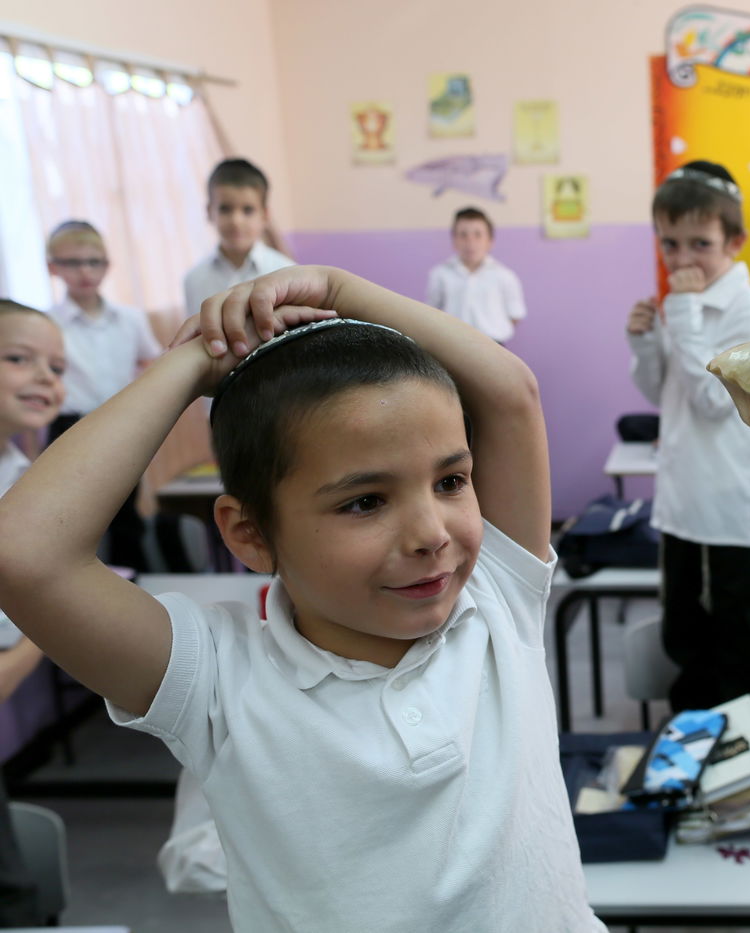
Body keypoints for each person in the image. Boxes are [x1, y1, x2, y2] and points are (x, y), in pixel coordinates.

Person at [0, 269, 603, 932]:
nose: (432, 534)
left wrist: (336, 291)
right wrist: (191, 364)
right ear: (249, 532)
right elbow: (25, 555)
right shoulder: (220, 681)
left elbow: (510, 392)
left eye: (451, 480)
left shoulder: (496, 599)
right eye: (365, 501)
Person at [626, 160, 750, 712]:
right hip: (684, 503)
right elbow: (664, 394)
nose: (683, 260)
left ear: (735, 242)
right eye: (670, 245)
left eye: (700, 243)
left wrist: (685, 314)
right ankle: (694, 746)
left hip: (733, 509)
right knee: (687, 635)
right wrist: (647, 343)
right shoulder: (685, 308)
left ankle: (747, 746)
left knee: (743, 642)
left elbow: (714, 402)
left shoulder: (746, 307)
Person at [44, 220, 162, 570]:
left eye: (94, 261)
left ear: (107, 266)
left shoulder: (130, 319)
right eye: (72, 262)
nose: (84, 271)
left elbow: (154, 362)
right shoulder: (48, 323)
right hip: (68, 427)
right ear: (53, 267)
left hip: (119, 426)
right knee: (69, 521)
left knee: (125, 513)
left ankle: (133, 585)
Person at [0, 299, 65, 926]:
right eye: (20, 359)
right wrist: (52, 622)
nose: (47, 379)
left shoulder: (22, 474)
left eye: (57, 365)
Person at [182, 158, 294, 319]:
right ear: (209, 211)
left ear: (265, 215)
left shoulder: (287, 273)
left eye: (247, 210)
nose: (236, 221)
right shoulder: (193, 280)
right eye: (225, 209)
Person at [425, 207, 526, 343]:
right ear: (454, 240)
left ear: (490, 241)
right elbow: (432, 311)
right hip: (451, 344)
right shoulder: (440, 274)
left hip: (494, 345)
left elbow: (515, 314)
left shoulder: (505, 276)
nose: (470, 241)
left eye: (478, 234)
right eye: (463, 235)